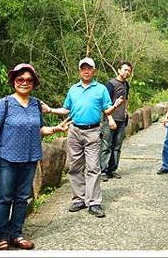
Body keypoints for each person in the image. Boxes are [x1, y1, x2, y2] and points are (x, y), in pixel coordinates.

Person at [0, 63, 70, 250]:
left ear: (33, 83)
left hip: (30, 158)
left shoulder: (36, 104)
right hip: (7, 159)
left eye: (29, 80)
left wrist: (55, 129)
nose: (24, 82)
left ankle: (17, 234)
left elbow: (39, 129)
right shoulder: (5, 103)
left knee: (22, 198)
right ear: (14, 81)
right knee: (4, 198)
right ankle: (1, 236)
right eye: (20, 79)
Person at [45, 57, 123, 218]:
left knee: (93, 167)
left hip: (93, 131)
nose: (86, 71)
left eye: (89, 68)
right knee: (75, 166)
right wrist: (50, 110)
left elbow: (106, 109)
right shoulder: (73, 89)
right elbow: (66, 109)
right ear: (80, 71)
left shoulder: (101, 89)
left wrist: (114, 107)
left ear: (94, 71)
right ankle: (78, 199)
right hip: (74, 131)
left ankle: (94, 202)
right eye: (83, 68)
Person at [100, 61, 133, 181]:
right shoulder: (110, 84)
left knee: (117, 147)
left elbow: (126, 99)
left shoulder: (126, 85)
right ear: (119, 70)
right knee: (106, 146)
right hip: (110, 119)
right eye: (125, 70)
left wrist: (125, 112)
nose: (127, 72)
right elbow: (104, 104)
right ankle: (102, 171)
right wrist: (109, 119)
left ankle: (112, 170)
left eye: (129, 71)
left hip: (121, 120)